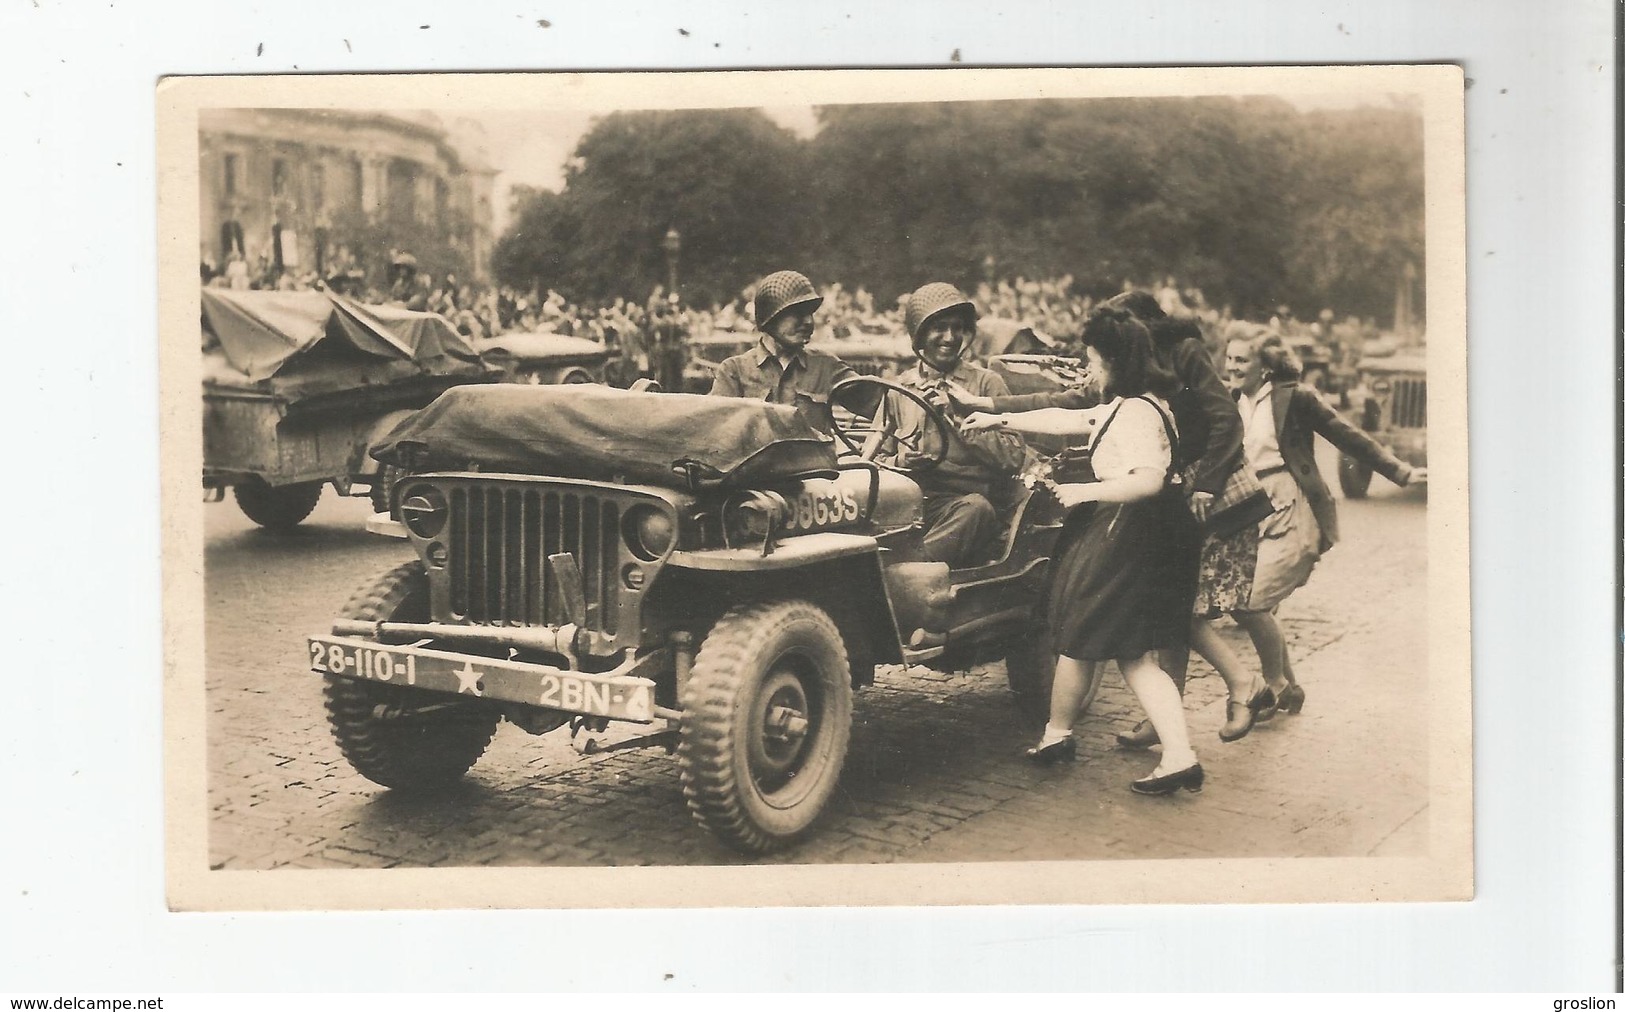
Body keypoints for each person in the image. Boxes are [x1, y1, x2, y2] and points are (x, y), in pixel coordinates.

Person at [951, 288, 1272, 743]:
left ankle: (1240, 686)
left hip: (1210, 485)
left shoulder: (1177, 355)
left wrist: (1204, 484)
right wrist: (993, 408)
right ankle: (1176, 719)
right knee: (1172, 605)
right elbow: (1075, 405)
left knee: (1179, 605)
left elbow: (1226, 421)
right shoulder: (1127, 375)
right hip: (1171, 481)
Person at [963, 307, 1202, 794]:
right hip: (1135, 533)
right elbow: (1074, 418)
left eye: (1093, 359)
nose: (1088, 368)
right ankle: (1059, 734)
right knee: (1088, 633)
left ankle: (1178, 755)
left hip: (1128, 533)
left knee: (1122, 651)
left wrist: (1084, 493)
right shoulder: (1134, 404)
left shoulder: (1134, 413)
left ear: (1115, 361)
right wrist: (999, 415)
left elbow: (1148, 481)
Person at [1207, 330, 1427, 716]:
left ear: (1267, 365)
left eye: (1242, 360)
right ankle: (1288, 687)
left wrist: (1400, 471)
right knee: (1254, 601)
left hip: (1294, 504)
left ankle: (1273, 685)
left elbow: (1347, 435)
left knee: (1253, 602)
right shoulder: (1230, 400)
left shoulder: (1294, 397)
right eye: (1229, 359)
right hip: (1251, 507)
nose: (1232, 367)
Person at [870, 283, 1026, 569]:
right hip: (910, 504)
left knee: (977, 509)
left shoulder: (985, 384)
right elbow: (873, 457)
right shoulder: (899, 389)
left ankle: (906, 569)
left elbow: (1014, 456)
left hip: (963, 505)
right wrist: (900, 460)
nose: (950, 338)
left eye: (957, 328)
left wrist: (956, 420)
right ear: (919, 335)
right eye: (939, 328)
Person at [709, 270, 858, 433]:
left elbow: (884, 402)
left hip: (812, 458)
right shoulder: (734, 371)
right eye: (798, 313)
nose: (808, 321)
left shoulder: (826, 366)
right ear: (770, 318)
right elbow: (715, 434)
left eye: (810, 313)